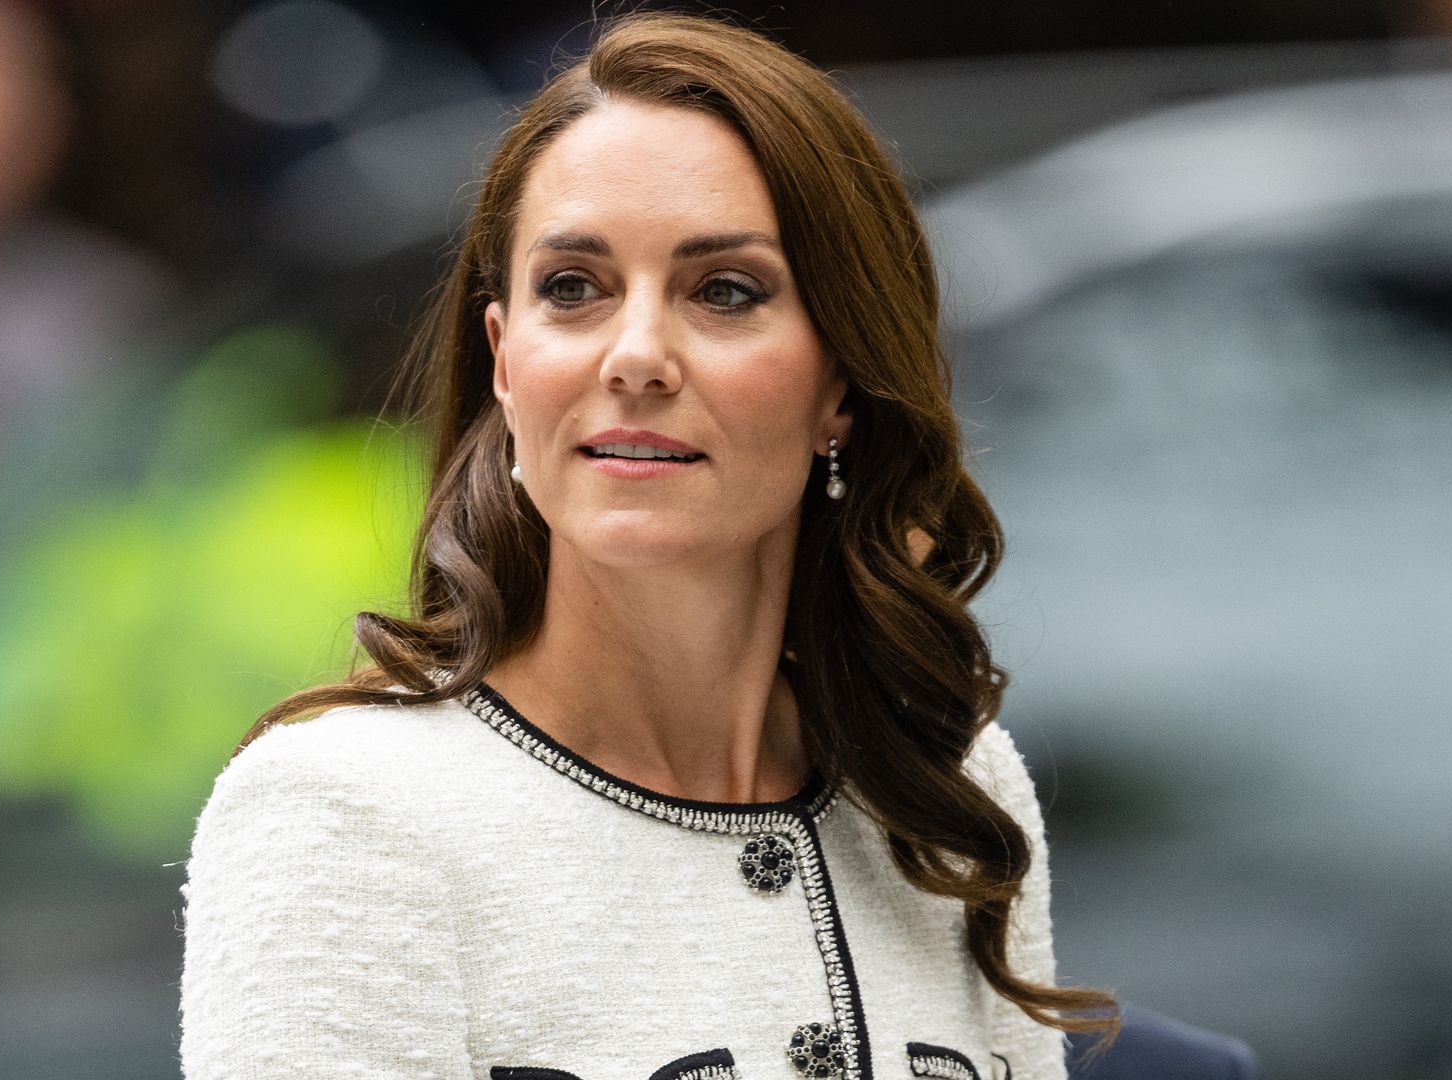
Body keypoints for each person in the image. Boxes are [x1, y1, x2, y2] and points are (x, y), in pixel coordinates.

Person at [178, 11, 1118, 1080]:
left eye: (725, 292)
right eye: (571, 289)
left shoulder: (950, 784)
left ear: (844, 382)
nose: (634, 356)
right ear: (503, 358)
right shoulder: (347, 816)